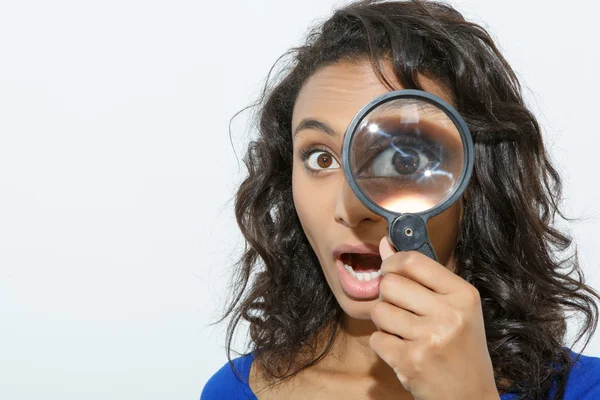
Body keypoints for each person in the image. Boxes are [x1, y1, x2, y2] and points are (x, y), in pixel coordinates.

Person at [201, 0, 600, 399]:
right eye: (321, 158)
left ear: (473, 180)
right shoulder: (233, 390)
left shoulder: (584, 389)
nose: (350, 208)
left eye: (402, 158)